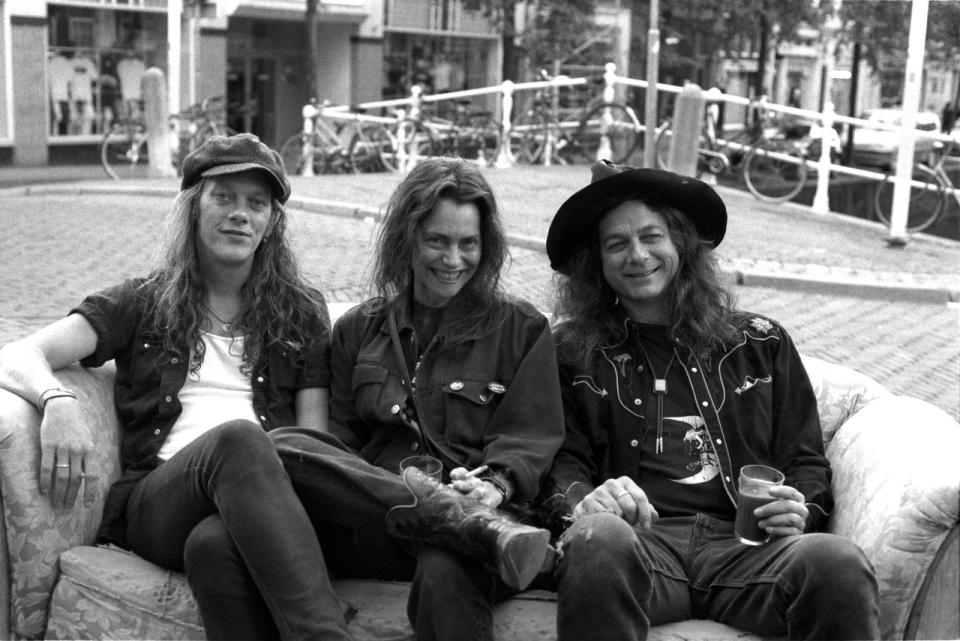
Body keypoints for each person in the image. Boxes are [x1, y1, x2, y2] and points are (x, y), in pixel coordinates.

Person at [0, 133, 353, 640]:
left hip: (264, 498)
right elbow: (18, 353)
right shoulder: (141, 301)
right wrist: (57, 401)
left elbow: (312, 445)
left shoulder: (300, 312)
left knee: (212, 547)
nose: (240, 214)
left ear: (272, 222)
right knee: (240, 439)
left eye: (257, 204)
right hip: (160, 500)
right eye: (224, 197)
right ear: (192, 206)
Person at [539, 160, 881, 641]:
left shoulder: (760, 342)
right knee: (597, 540)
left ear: (680, 241)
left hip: (748, 551)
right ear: (597, 261)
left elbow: (804, 458)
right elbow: (561, 461)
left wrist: (801, 507)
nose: (637, 255)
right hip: (640, 547)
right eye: (616, 244)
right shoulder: (571, 353)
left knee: (835, 561)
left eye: (650, 236)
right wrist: (586, 501)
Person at [270, 156, 563, 641]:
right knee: (282, 447)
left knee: (450, 562)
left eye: (468, 244)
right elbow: (341, 447)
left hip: (485, 523)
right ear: (407, 240)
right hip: (380, 523)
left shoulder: (522, 330)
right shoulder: (358, 331)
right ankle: (450, 516)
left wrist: (494, 486)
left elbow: (529, 437)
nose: (453, 261)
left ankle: (466, 522)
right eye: (437, 242)